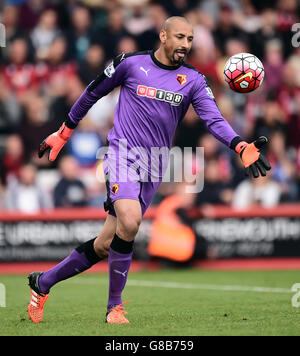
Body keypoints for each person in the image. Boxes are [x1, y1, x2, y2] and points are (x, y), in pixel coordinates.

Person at [27, 16, 271, 324]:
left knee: (106, 243)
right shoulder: (131, 64)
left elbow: (213, 119)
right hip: (121, 156)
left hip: (154, 165)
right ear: (163, 35)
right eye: (180, 37)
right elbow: (92, 92)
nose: (185, 44)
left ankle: (43, 282)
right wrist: (63, 133)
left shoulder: (193, 80)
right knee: (131, 221)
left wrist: (240, 145)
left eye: (190, 39)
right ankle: (114, 308)